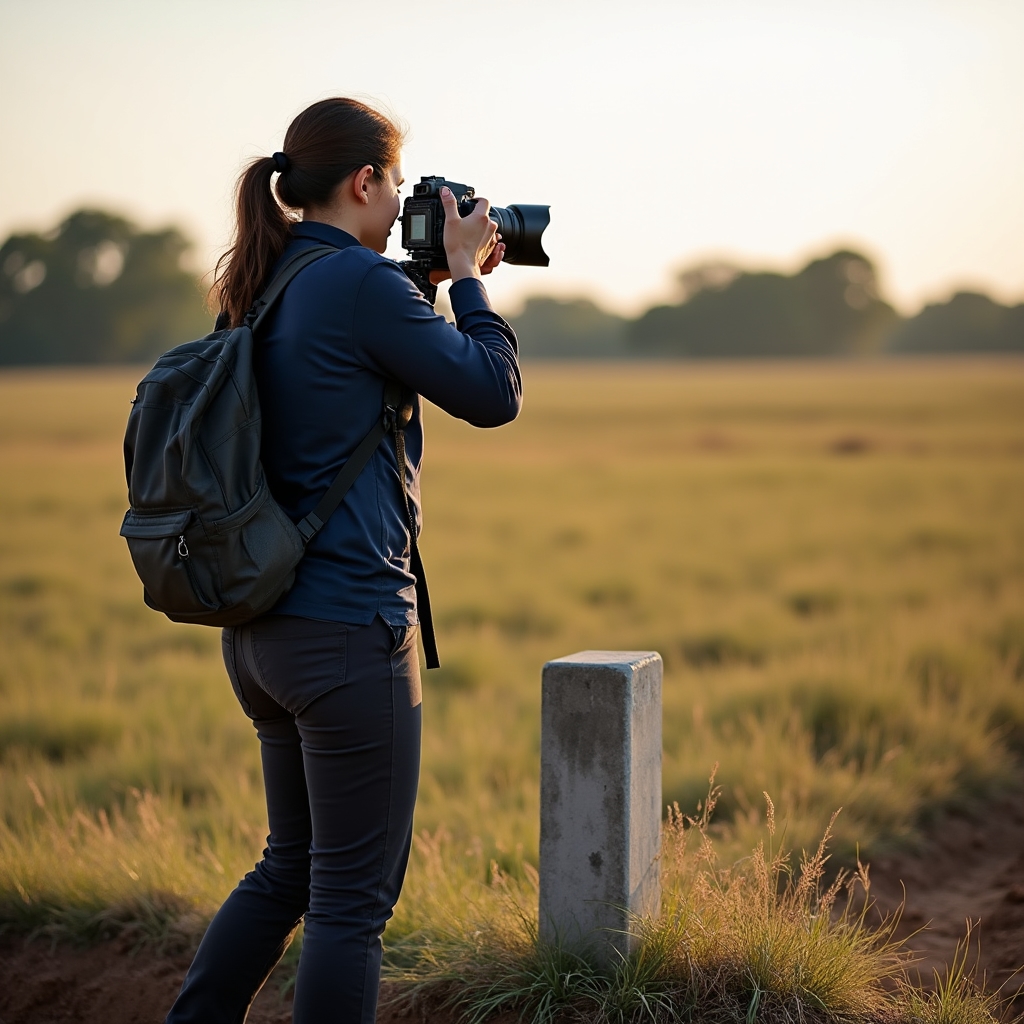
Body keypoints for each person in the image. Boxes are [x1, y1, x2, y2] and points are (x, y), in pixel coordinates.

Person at [165, 97, 521, 1024]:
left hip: (261, 634)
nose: (401, 201)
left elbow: (364, 377)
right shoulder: (362, 287)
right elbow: (491, 392)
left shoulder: (269, 277)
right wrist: (471, 282)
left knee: (291, 869)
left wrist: (427, 282)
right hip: (348, 635)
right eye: (398, 186)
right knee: (351, 904)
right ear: (364, 183)